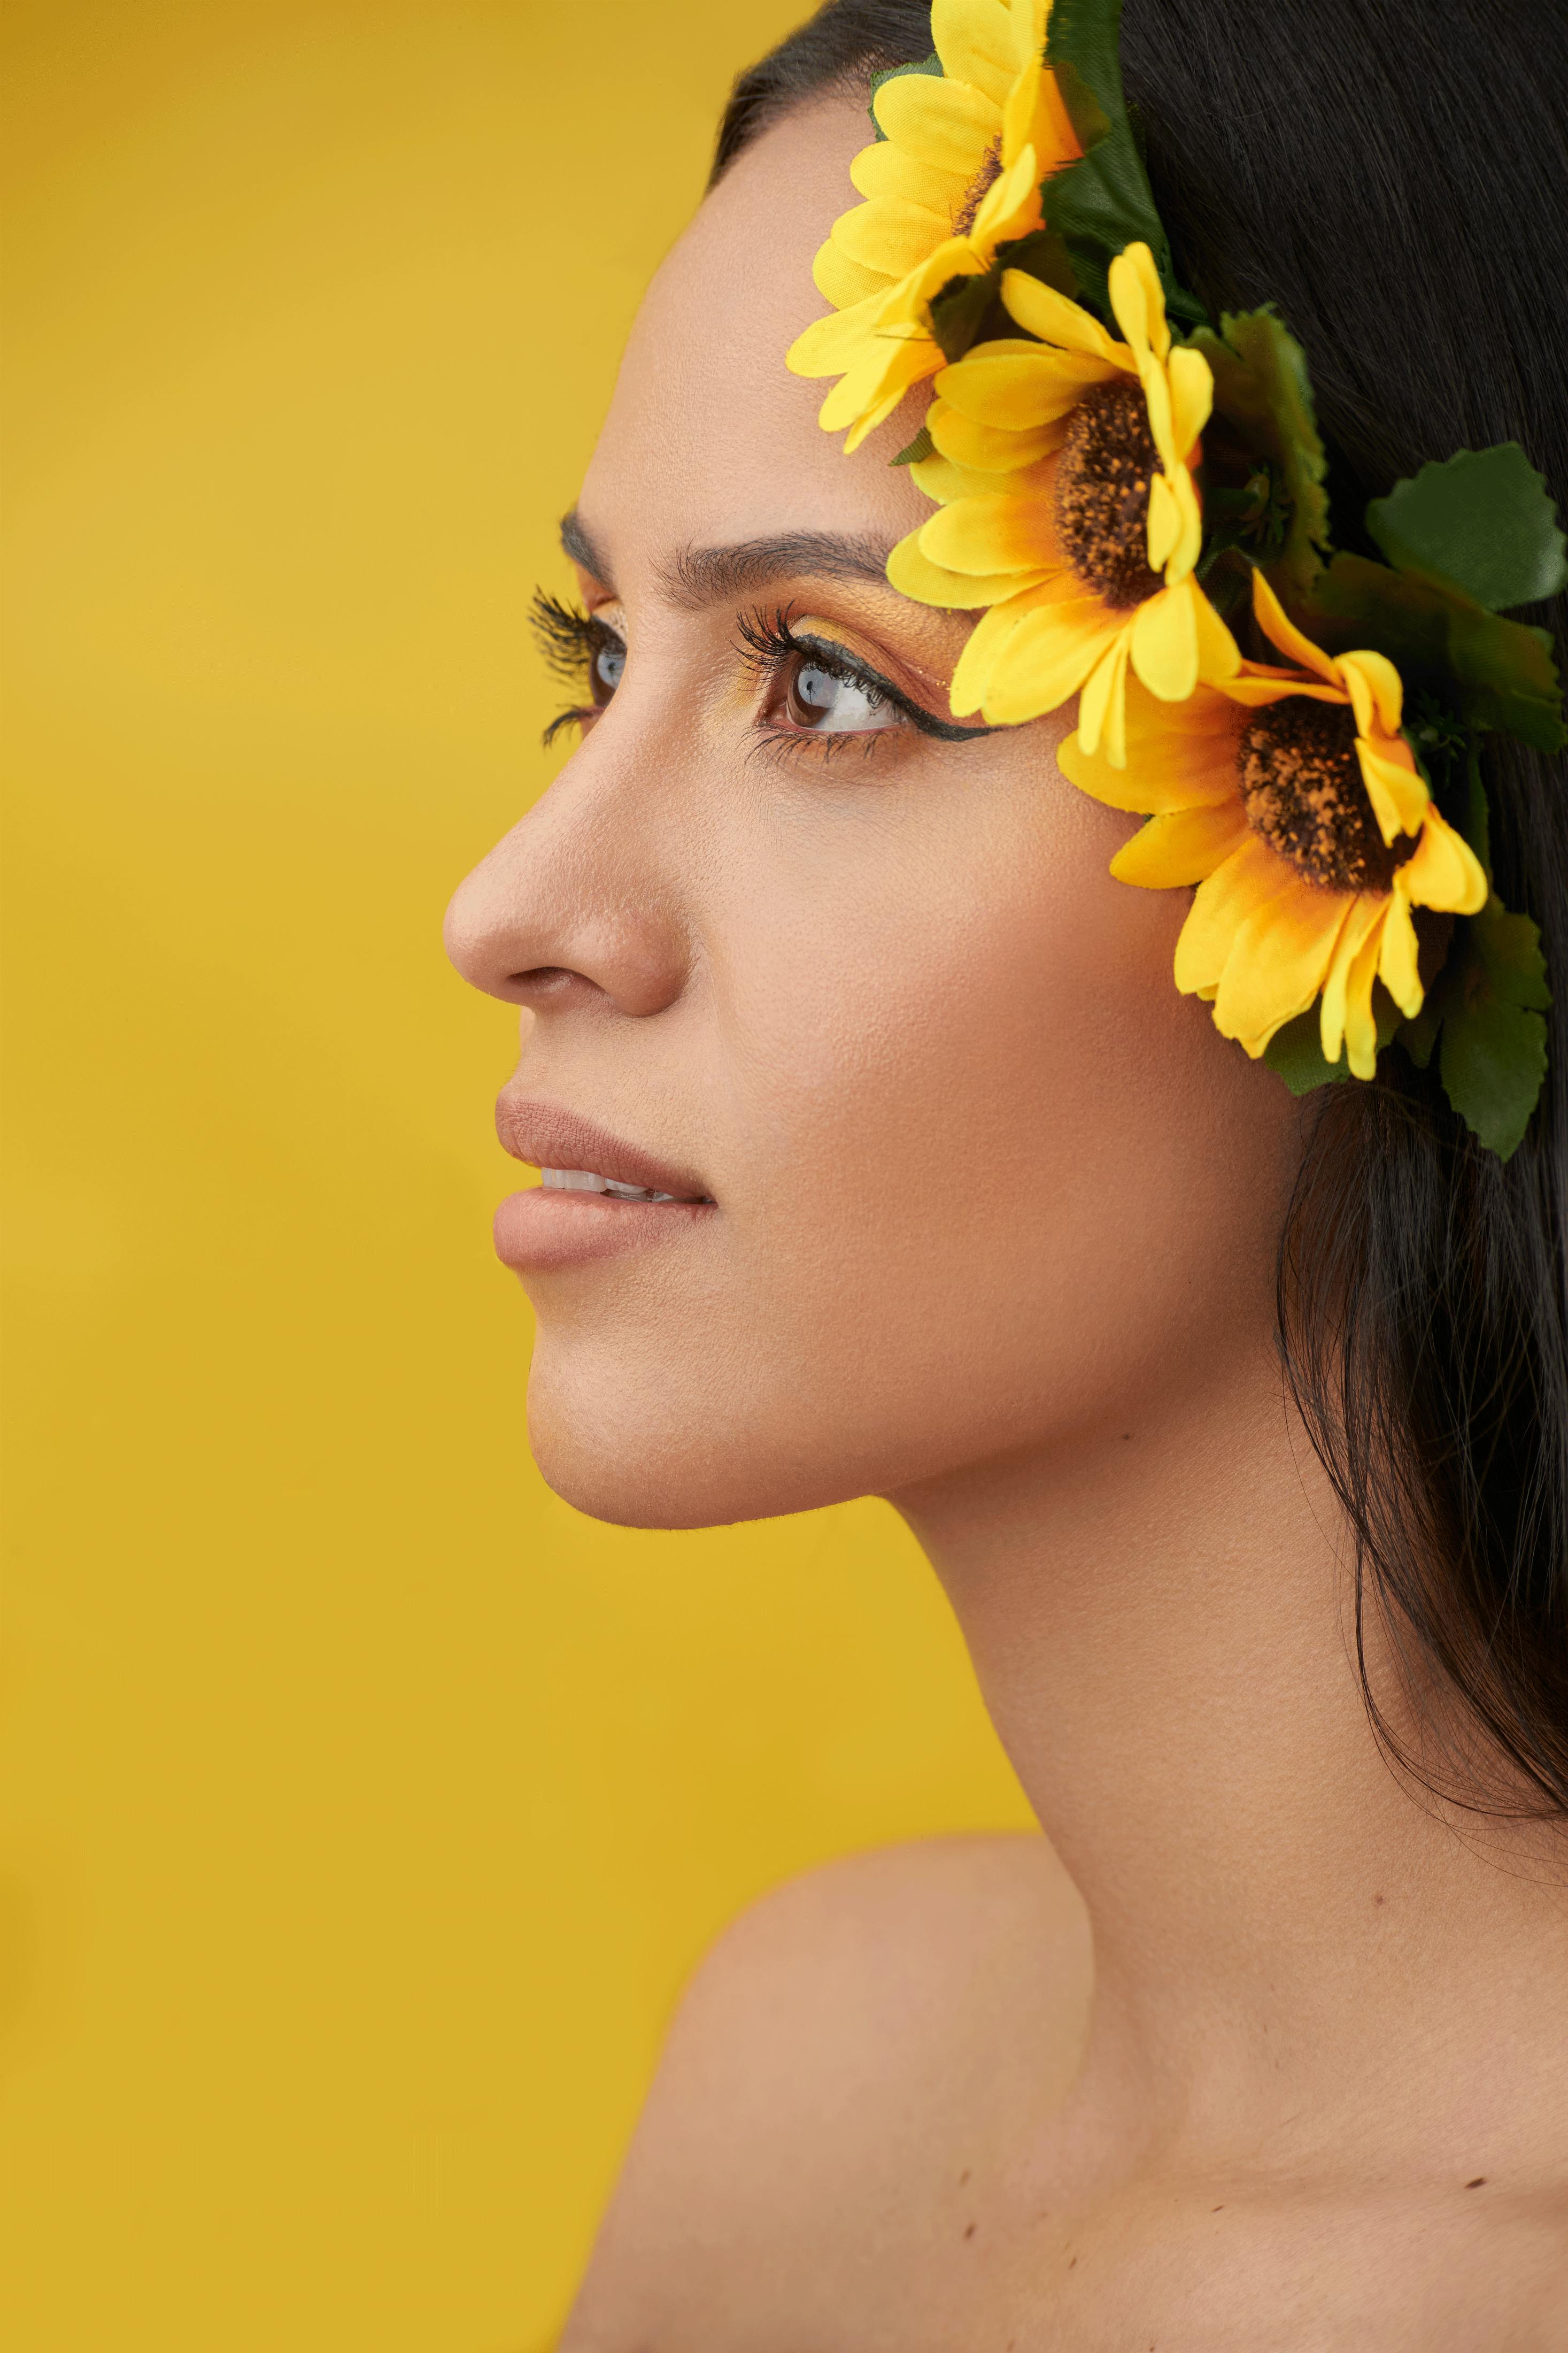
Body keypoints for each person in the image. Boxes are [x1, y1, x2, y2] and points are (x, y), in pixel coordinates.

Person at [444, 0, 1568, 2339]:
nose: (515, 907)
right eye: (595, 659)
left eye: (824, 682)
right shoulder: (800, 2076)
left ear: (1365, 815)